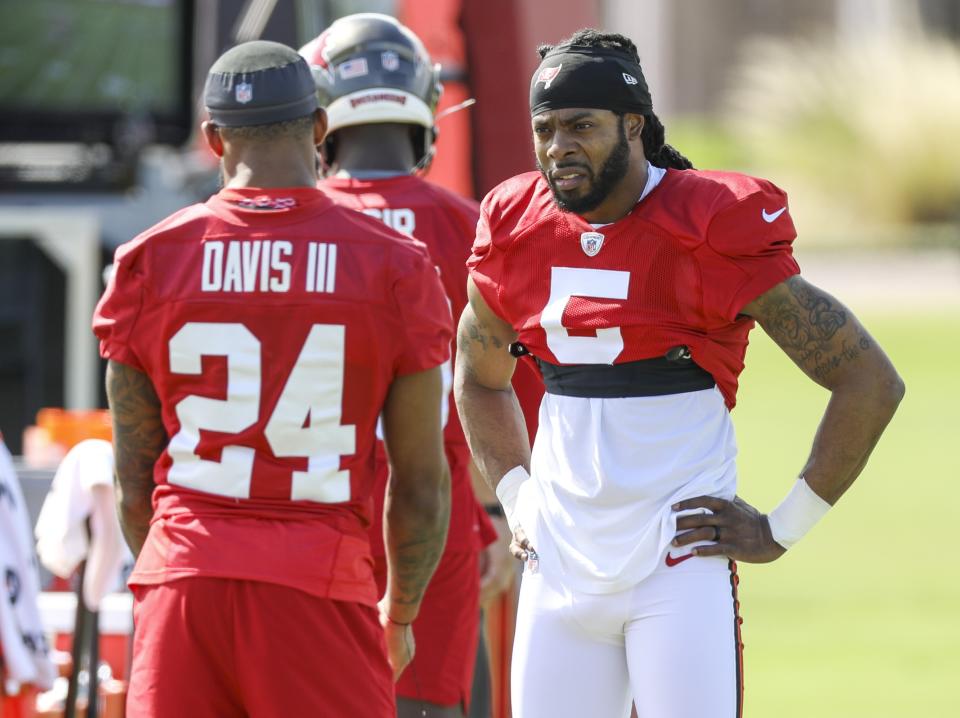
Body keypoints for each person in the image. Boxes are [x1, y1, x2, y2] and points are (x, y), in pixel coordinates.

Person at [453, 29, 905, 718]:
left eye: (581, 126)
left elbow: (870, 380)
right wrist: (518, 497)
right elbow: (477, 376)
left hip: (675, 570)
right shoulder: (518, 224)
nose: (557, 147)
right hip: (559, 568)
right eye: (545, 128)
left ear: (634, 124)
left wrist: (783, 526)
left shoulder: (709, 224)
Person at [93, 40, 452, 718]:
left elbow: (132, 481)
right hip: (318, 583)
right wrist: (401, 613)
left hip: (185, 582)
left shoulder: (149, 259)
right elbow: (422, 485)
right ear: (320, 128)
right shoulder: (395, 265)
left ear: (212, 139)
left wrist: (184, 564)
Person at [300, 14, 527, 717]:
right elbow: (509, 387)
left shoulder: (285, 224)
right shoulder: (473, 227)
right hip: (440, 518)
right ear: (425, 107)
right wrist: (497, 511)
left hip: (303, 512)